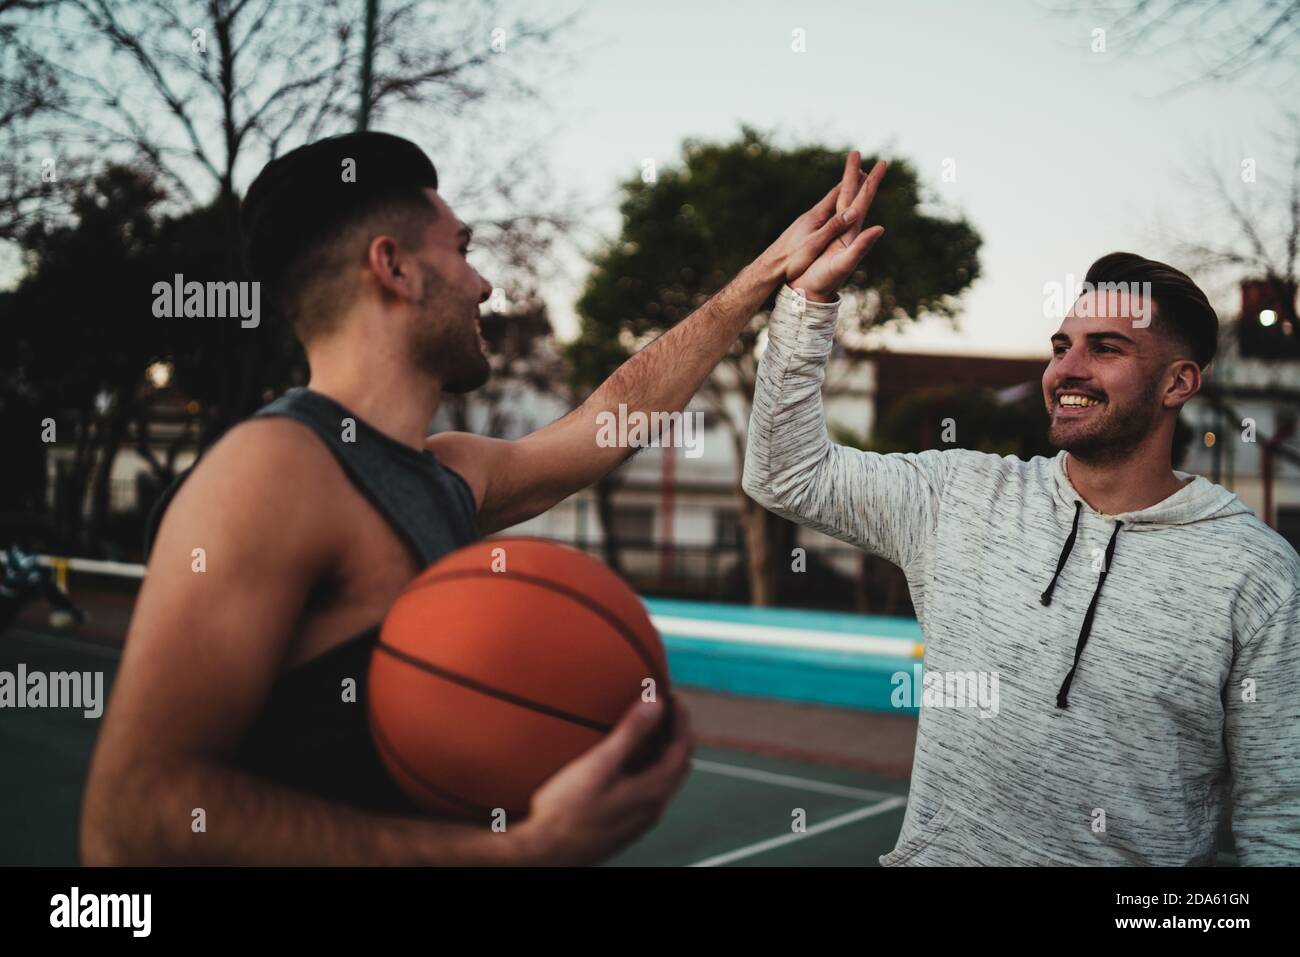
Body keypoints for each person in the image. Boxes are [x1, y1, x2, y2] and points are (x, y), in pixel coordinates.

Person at [79, 132, 886, 865]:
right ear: (392, 267)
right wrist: (516, 853)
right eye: (461, 251)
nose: (484, 282)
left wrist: (762, 278)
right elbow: (132, 815)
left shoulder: (447, 473)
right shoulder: (273, 469)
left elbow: (609, 419)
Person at [743, 165, 1300, 865]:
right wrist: (807, 301)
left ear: (1178, 382)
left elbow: (1280, 818)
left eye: (1106, 347)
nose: (1068, 368)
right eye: (1061, 345)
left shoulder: (1256, 573)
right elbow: (785, 474)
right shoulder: (962, 496)